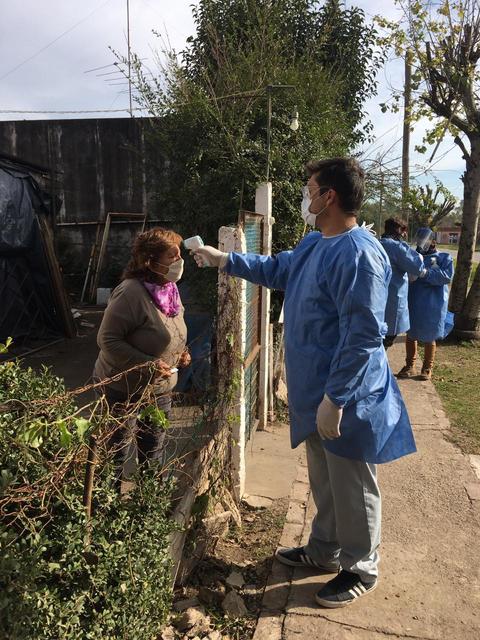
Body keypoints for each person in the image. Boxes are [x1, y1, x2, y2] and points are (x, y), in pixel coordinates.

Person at [193, 158, 416, 608]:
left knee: (352, 484)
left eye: (309, 187)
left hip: (347, 396)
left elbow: (362, 334)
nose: (305, 195)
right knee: (325, 480)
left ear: (328, 196)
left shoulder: (360, 254)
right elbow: (277, 269)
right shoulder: (317, 243)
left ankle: (360, 566)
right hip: (316, 391)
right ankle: (324, 551)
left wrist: (336, 398)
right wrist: (225, 259)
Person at [93, 227, 190, 473]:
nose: (179, 261)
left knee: (153, 455)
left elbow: (170, 328)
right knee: (114, 455)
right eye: (172, 256)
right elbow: (108, 339)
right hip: (122, 389)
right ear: (150, 261)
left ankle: (148, 506)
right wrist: (148, 364)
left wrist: (181, 351)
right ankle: (108, 507)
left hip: (159, 391)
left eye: (179, 255)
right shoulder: (131, 292)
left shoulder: (169, 290)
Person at [397, 228, 454, 381]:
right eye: (421, 239)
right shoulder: (414, 256)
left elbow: (447, 276)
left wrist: (426, 273)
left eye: (427, 240)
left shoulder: (444, 258)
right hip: (414, 300)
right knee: (411, 333)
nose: (423, 243)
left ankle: (427, 367)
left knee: (431, 335)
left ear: (434, 241)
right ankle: (410, 365)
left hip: (434, 303)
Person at [380, 217, 426, 348]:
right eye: (404, 231)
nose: (405, 235)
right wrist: (419, 254)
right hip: (392, 303)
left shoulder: (377, 243)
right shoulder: (397, 247)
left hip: (375, 300)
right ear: (400, 230)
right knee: (385, 342)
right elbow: (417, 268)